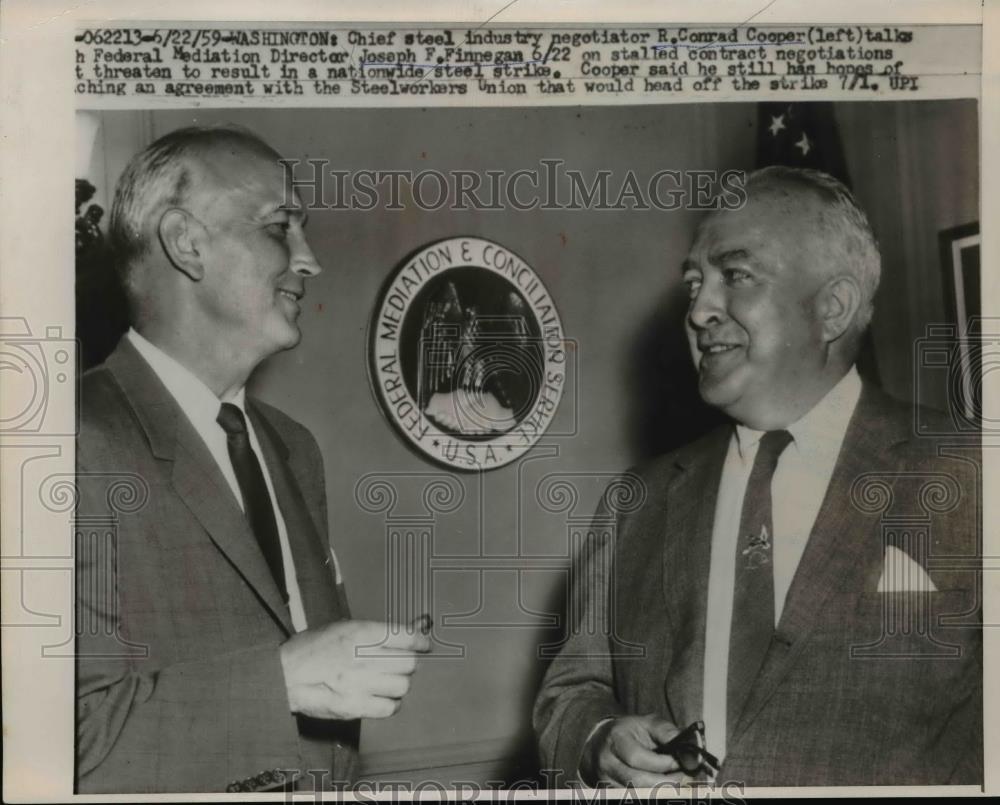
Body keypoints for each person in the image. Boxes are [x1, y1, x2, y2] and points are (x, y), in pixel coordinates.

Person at [534, 166, 981, 787]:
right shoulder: (636, 502)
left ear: (833, 308)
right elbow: (573, 691)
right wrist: (598, 741)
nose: (699, 310)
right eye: (695, 283)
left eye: (735, 276)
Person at [75, 125, 430, 794]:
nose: (310, 259)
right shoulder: (66, 442)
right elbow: (66, 749)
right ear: (186, 243)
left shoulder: (293, 448)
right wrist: (287, 680)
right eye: (281, 226)